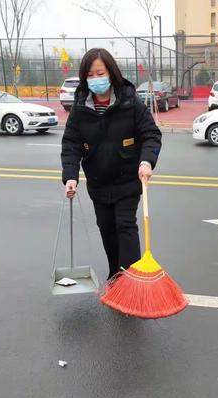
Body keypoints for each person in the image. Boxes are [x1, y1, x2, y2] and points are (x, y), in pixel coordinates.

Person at [61, 48, 162, 280]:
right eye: (91, 75)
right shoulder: (80, 107)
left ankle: (131, 280)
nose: (96, 79)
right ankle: (116, 274)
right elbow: (71, 144)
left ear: (111, 73)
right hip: (98, 184)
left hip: (127, 181)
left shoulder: (129, 102)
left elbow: (151, 135)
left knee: (125, 226)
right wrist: (71, 176)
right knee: (107, 229)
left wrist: (146, 162)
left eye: (100, 73)